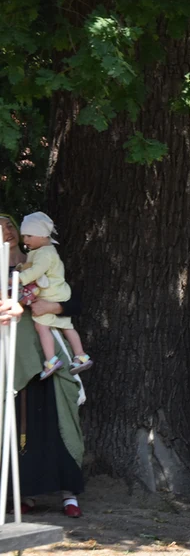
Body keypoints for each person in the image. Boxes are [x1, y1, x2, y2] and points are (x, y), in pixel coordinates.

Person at [5, 214, 86, 518]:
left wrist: (54, 306)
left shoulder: (42, 258)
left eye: (10, 225)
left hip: (48, 352)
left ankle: (69, 492)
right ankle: (26, 491)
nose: (8, 232)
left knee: (60, 417)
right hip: (14, 357)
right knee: (22, 423)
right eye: (0, 229)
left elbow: (71, 300)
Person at [16, 212, 91, 378]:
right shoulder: (43, 250)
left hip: (51, 295)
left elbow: (36, 270)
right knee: (67, 326)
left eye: (29, 235)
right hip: (59, 293)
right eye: (24, 236)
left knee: (41, 326)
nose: (25, 240)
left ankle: (51, 360)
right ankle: (81, 355)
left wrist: (18, 279)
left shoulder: (44, 253)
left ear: (42, 235)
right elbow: (31, 265)